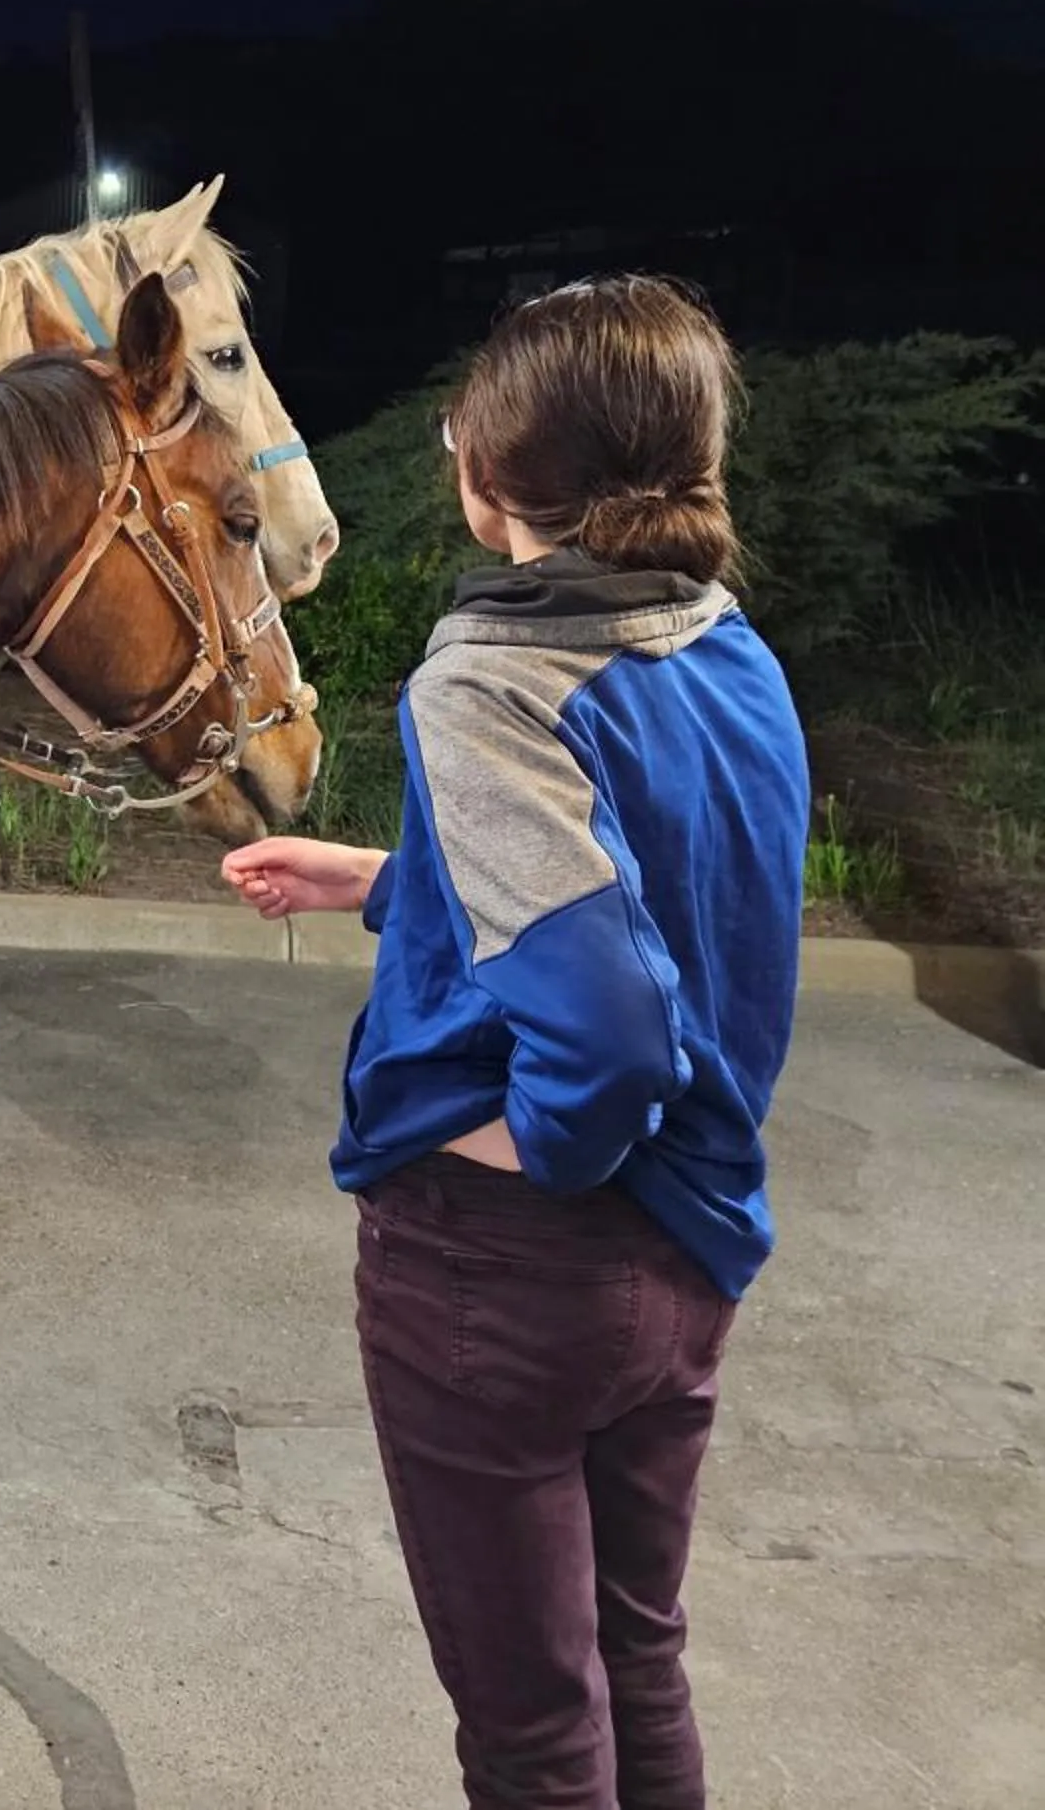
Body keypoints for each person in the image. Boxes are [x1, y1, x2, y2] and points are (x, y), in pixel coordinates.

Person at [220, 277, 807, 1809]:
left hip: (507, 1266)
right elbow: (657, 887)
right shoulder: (721, 641)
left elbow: (609, 1029)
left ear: (485, 477)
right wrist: (388, 882)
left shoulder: (487, 681)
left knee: (535, 1728)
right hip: (692, 1249)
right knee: (635, 1657)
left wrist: (515, 1149)